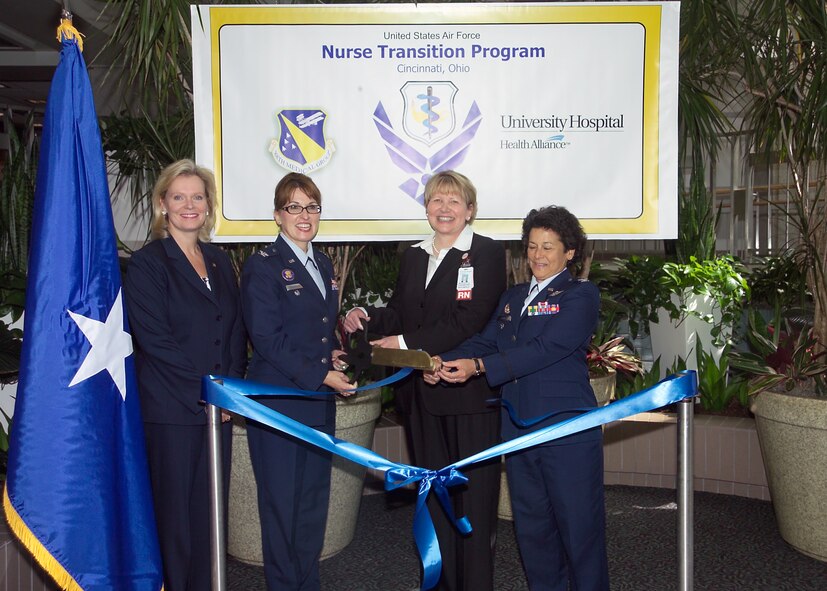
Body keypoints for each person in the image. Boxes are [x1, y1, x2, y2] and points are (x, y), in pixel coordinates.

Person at [427, 205, 609, 591]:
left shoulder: (580, 295)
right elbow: (485, 341)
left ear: (569, 252)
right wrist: (441, 359)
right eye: (532, 246)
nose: (538, 255)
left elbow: (547, 348)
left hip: (566, 431)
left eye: (548, 247)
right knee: (533, 530)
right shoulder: (513, 297)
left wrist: (479, 367)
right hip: (518, 430)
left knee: (580, 532)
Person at [343, 170, 506, 591]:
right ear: (426, 207)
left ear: (470, 210)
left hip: (467, 396)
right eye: (436, 200)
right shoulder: (414, 255)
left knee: (473, 502)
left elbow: (469, 320)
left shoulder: (487, 253)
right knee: (433, 497)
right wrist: (367, 317)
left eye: (454, 201)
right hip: (420, 395)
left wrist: (402, 343)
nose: (444, 208)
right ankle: (442, 583)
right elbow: (402, 312)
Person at [124, 159, 247, 591]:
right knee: (175, 524)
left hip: (218, 412)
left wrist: (229, 392)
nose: (189, 205)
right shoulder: (147, 264)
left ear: (209, 205)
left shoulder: (218, 260)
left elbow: (235, 331)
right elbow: (155, 342)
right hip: (173, 412)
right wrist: (207, 392)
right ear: (163, 204)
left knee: (210, 519)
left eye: (197, 197)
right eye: (179, 197)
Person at [241, 172, 355, 591]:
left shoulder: (322, 263)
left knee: (311, 507)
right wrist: (321, 373)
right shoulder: (263, 266)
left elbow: (316, 331)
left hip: (317, 402)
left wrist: (333, 355)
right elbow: (267, 338)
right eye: (294, 207)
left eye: (312, 207)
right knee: (281, 510)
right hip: (279, 405)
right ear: (277, 215)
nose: (304, 215)